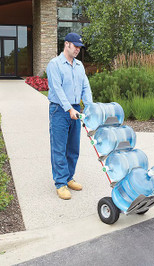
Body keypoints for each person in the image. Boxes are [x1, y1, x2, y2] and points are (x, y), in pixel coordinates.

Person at [47, 32, 93, 200]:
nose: (78, 50)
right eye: (75, 46)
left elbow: (85, 87)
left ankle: (69, 177)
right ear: (66, 44)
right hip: (59, 110)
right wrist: (69, 109)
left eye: (80, 47)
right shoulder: (55, 64)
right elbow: (57, 90)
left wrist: (89, 107)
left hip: (75, 109)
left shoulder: (79, 65)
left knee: (73, 148)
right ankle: (60, 183)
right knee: (59, 148)